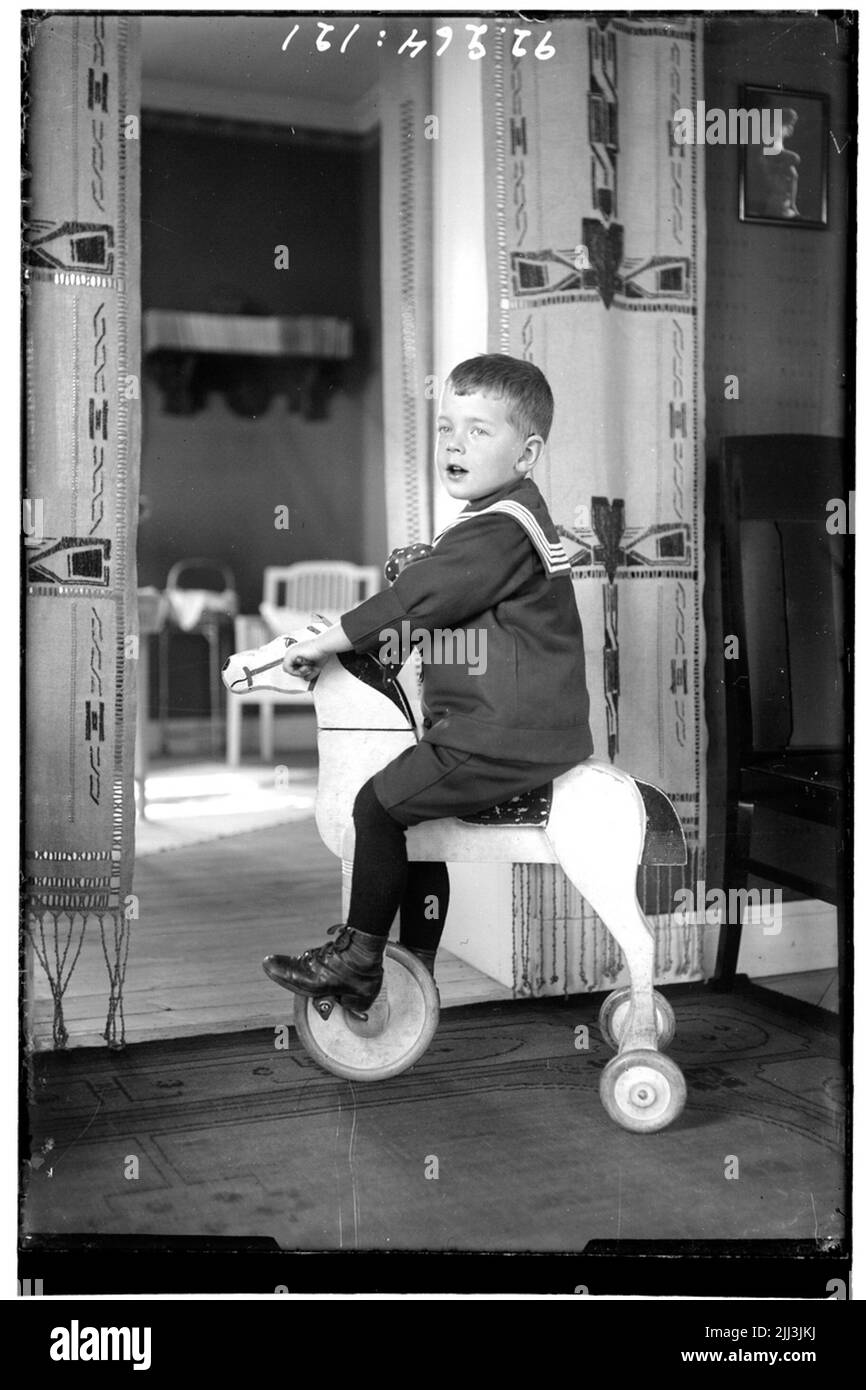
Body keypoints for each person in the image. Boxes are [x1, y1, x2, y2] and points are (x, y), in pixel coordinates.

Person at [262, 353, 593, 1011]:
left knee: (376, 806)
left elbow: (421, 601)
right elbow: (435, 604)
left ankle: (360, 961)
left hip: (500, 735)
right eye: (447, 428)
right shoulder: (499, 521)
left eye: (478, 431)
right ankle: (414, 962)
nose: (455, 444)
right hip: (512, 727)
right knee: (412, 819)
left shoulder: (501, 528)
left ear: (526, 453)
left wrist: (325, 640)